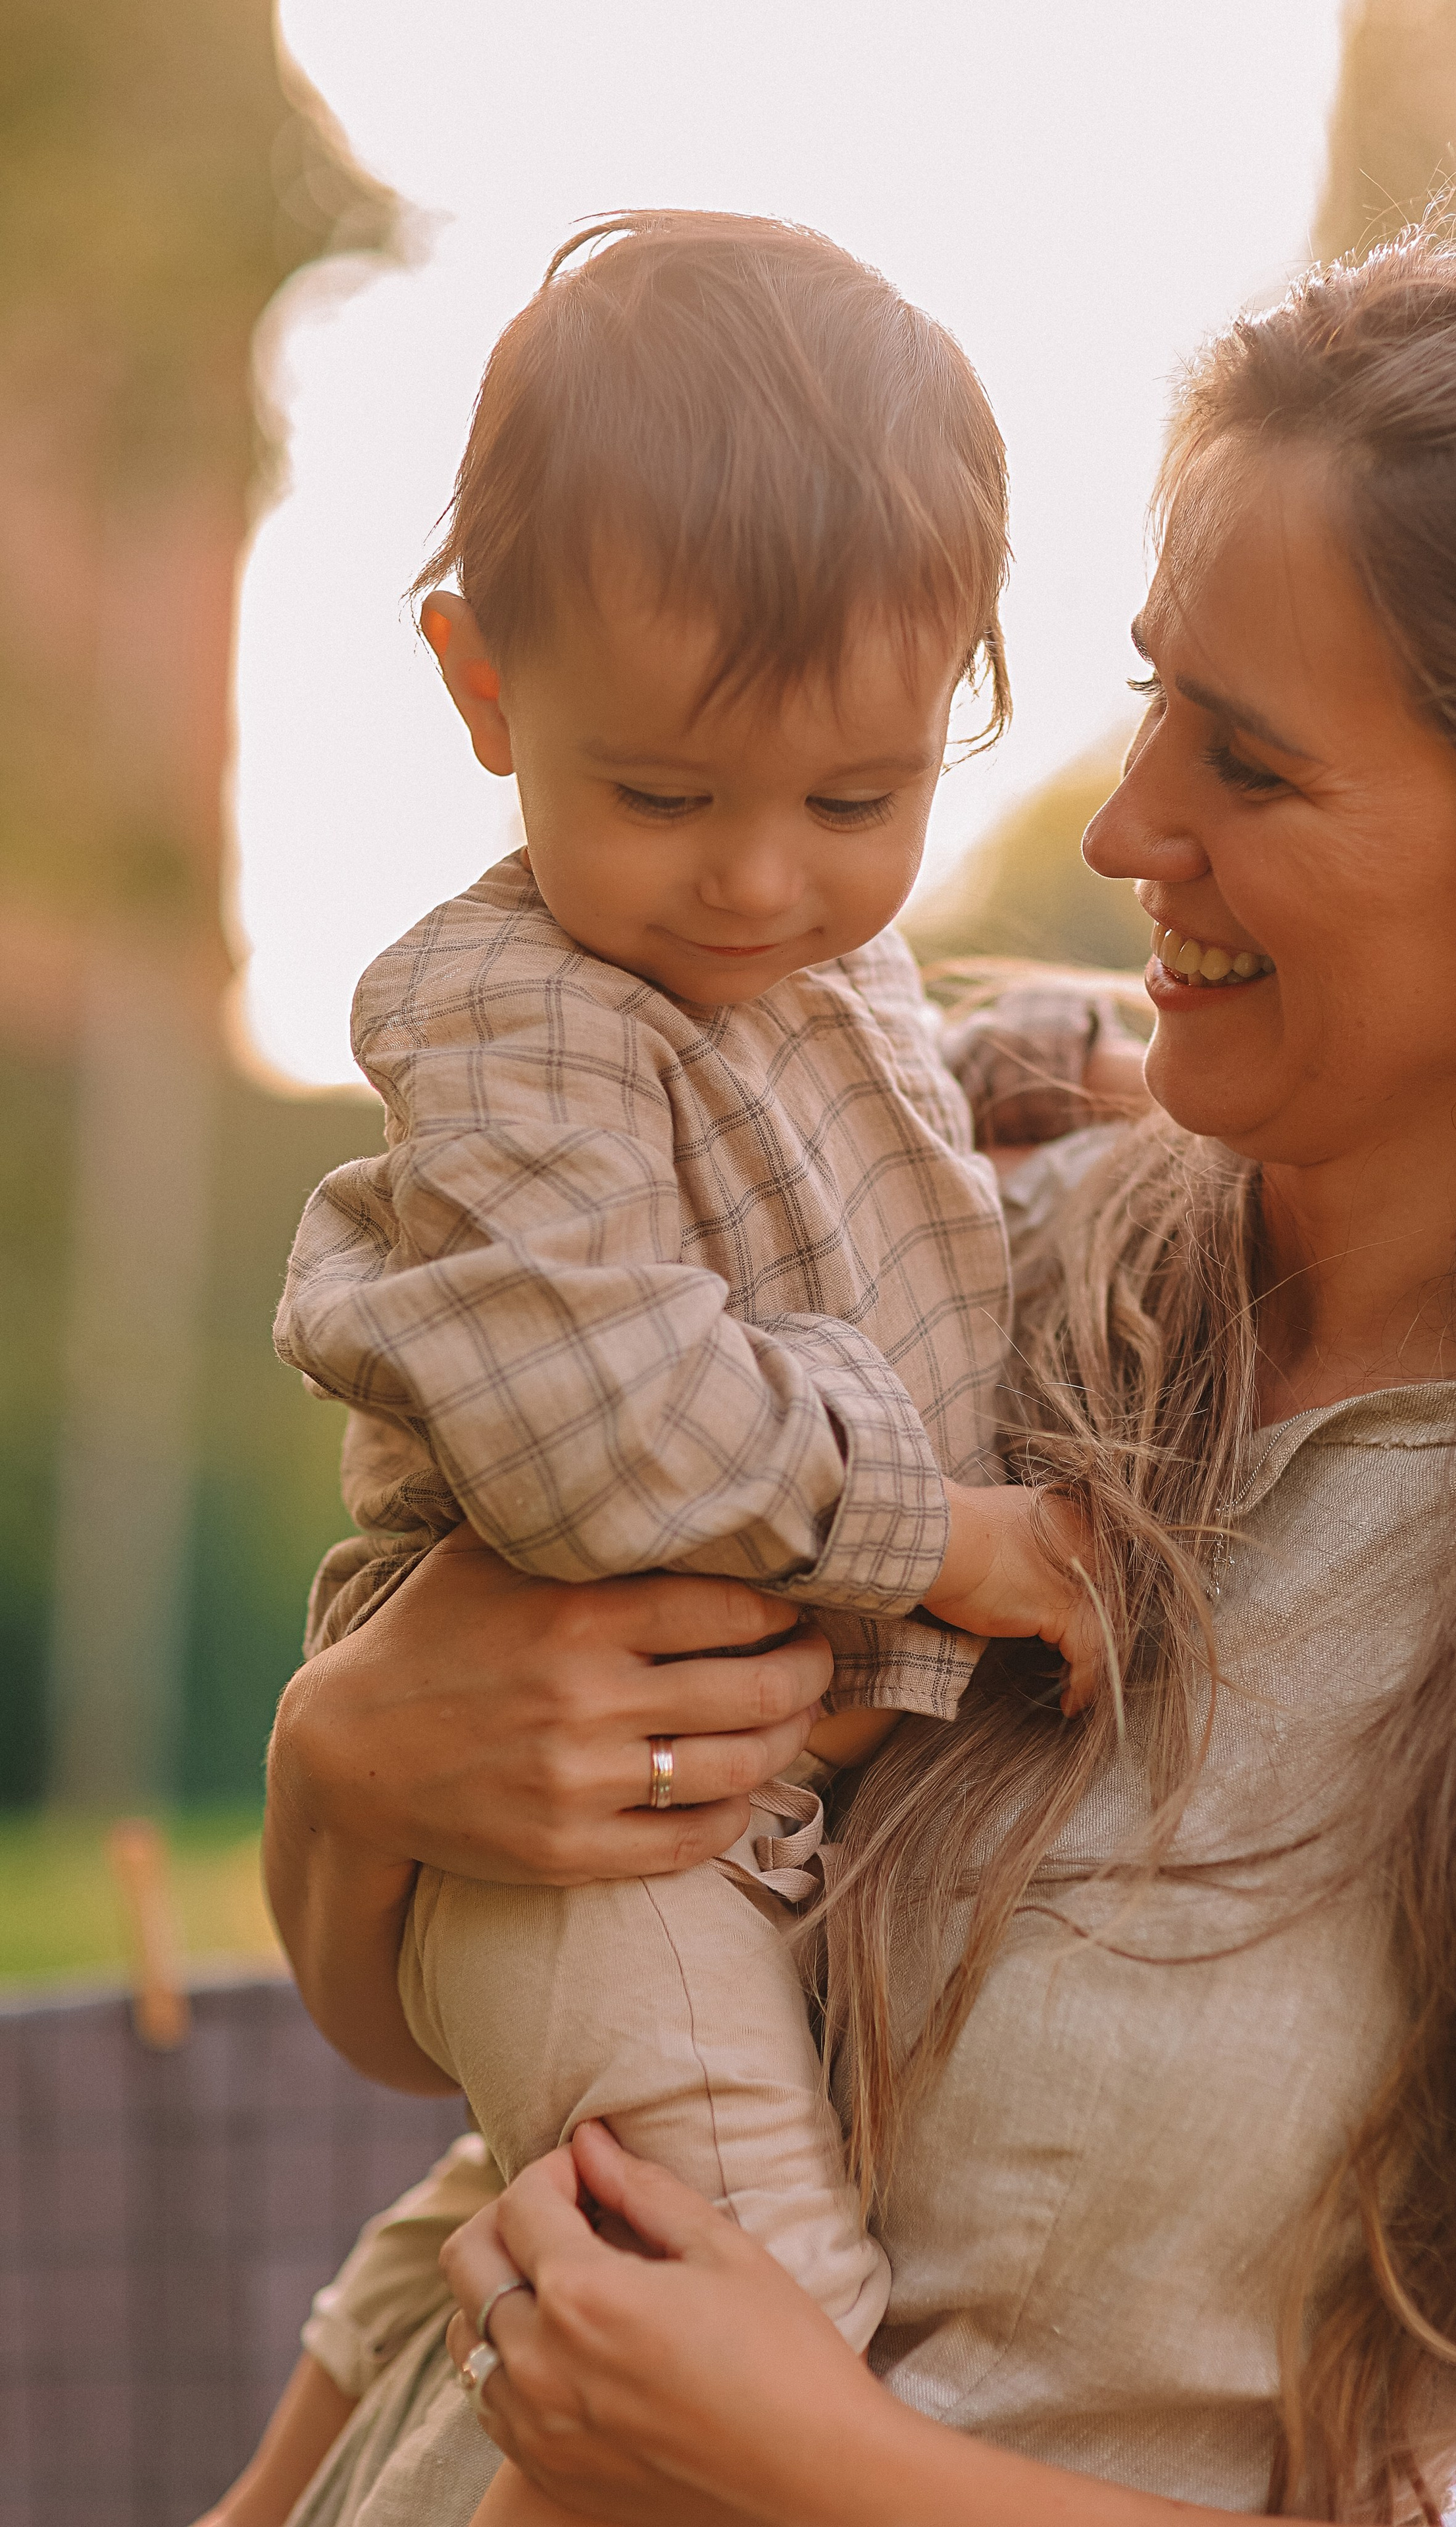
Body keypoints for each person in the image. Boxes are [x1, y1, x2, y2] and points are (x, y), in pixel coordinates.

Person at [257, 230, 1456, 2522]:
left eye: (1252, 762)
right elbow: (468, 2055)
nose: (1122, 836)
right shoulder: (1009, 1289)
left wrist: (824, 2468)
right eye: (1145, 705)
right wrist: (344, 1767)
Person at [232, 212, 1129, 2527]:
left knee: (547, 2203)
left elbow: (871, 1108)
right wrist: (946, 1539)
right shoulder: (507, 1014)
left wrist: (1038, 1059)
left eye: (857, 803)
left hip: (730, 1805)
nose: (757, 885)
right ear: (481, 686)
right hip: (594, 1835)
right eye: (663, 799)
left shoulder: (790, 957)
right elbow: (593, 1419)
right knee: (743, 2297)